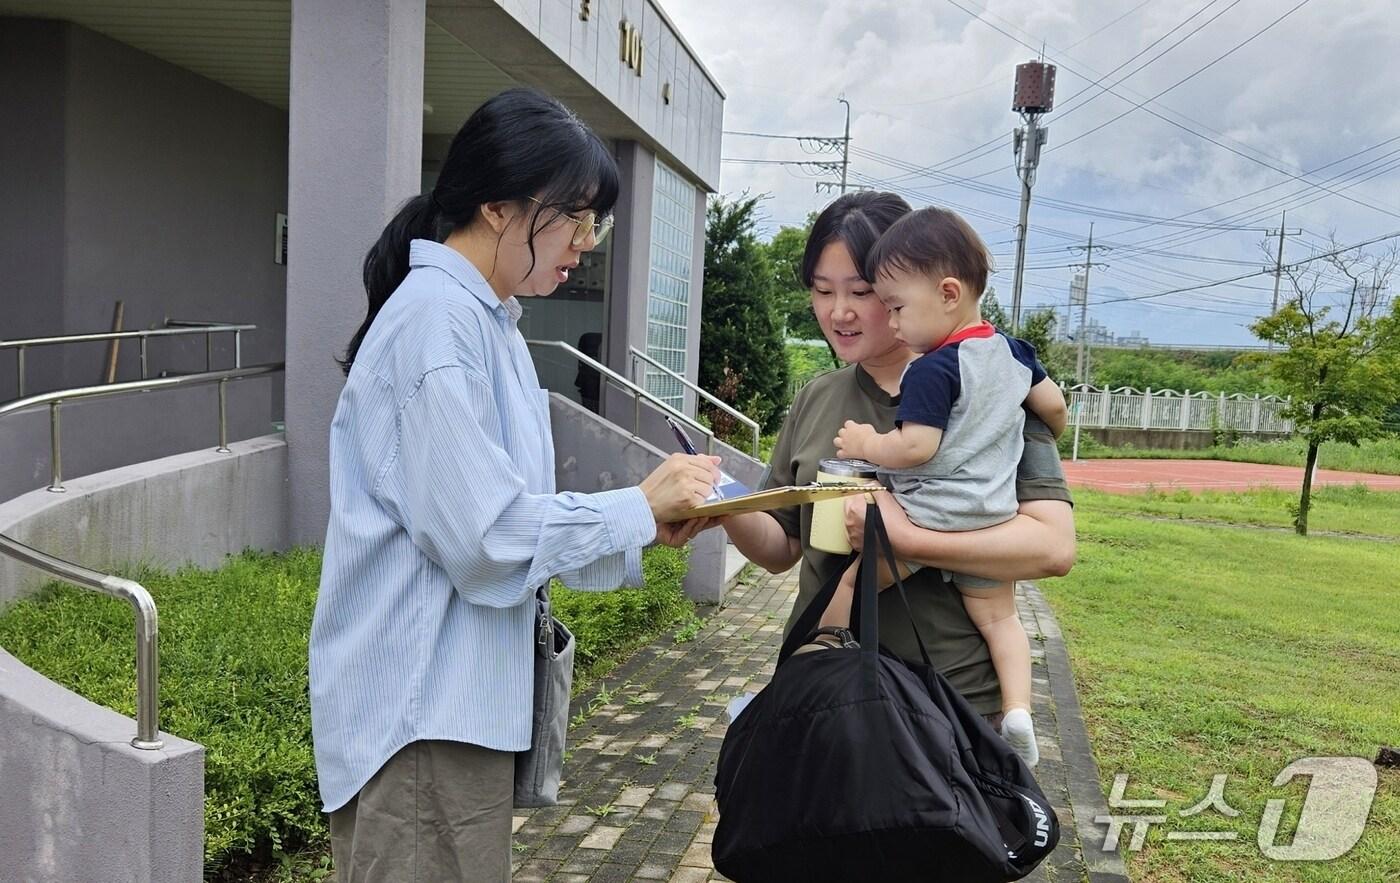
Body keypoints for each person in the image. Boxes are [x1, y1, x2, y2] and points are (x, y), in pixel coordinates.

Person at [308, 88, 719, 883]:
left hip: (442, 714)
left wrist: (647, 523)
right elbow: (486, 538)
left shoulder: (482, 321)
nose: (585, 242)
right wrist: (635, 506)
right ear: (498, 207)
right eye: (573, 216)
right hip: (421, 718)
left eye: (592, 221)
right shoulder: (438, 324)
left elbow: (499, 521)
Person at [720, 191, 1075, 743]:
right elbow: (782, 549)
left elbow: (1052, 550)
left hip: (951, 705)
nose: (838, 311)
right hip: (823, 695)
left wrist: (904, 537)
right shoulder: (817, 398)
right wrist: (723, 506)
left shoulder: (992, 392)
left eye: (861, 292)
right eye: (821, 290)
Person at [826, 206, 1069, 767]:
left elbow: (915, 448)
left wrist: (865, 441)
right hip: (993, 520)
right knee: (1001, 621)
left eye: (897, 307)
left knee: (852, 587)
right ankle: (1018, 712)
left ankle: (821, 654)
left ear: (949, 293)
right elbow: (1054, 406)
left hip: (927, 514)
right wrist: (1042, 431)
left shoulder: (932, 369)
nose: (892, 322)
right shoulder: (1012, 353)